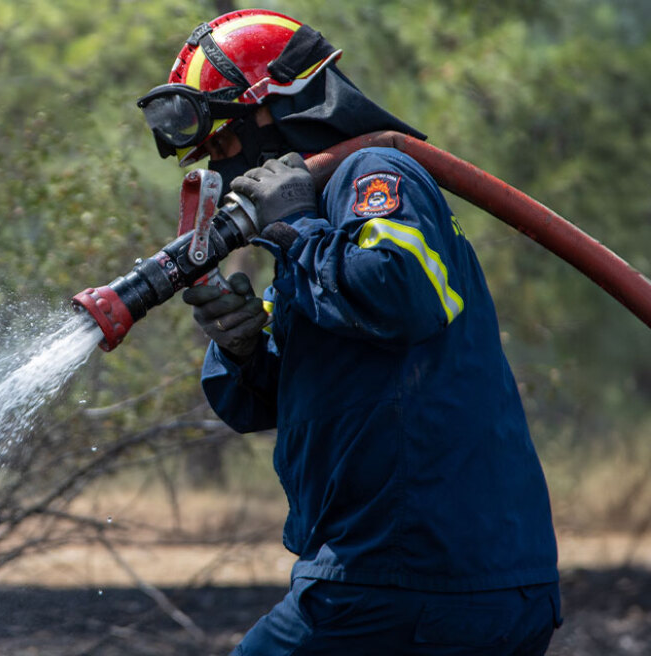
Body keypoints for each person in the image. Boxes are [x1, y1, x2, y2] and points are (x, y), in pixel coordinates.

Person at [136, 9, 561, 655]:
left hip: (404, 575)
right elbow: (278, 401)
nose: (226, 166)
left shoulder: (374, 178)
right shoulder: (318, 223)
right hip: (441, 572)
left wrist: (291, 227)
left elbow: (403, 294)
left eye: (225, 141)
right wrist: (246, 348)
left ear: (280, 111)